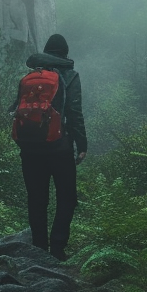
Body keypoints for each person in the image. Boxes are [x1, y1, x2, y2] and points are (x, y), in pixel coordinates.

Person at [12, 33, 88, 260]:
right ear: (65, 54)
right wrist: (82, 144)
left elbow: (17, 110)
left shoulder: (29, 77)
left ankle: (38, 249)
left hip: (30, 148)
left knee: (37, 199)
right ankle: (57, 248)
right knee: (67, 197)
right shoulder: (70, 76)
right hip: (59, 148)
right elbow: (74, 113)